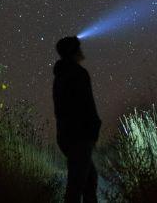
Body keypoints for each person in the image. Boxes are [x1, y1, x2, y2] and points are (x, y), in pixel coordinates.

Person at [53, 36, 102, 203]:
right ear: (73, 52)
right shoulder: (78, 74)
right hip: (80, 136)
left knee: (87, 179)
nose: (81, 51)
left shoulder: (59, 76)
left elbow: (60, 109)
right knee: (77, 185)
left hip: (66, 135)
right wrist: (94, 130)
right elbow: (87, 105)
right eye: (78, 48)